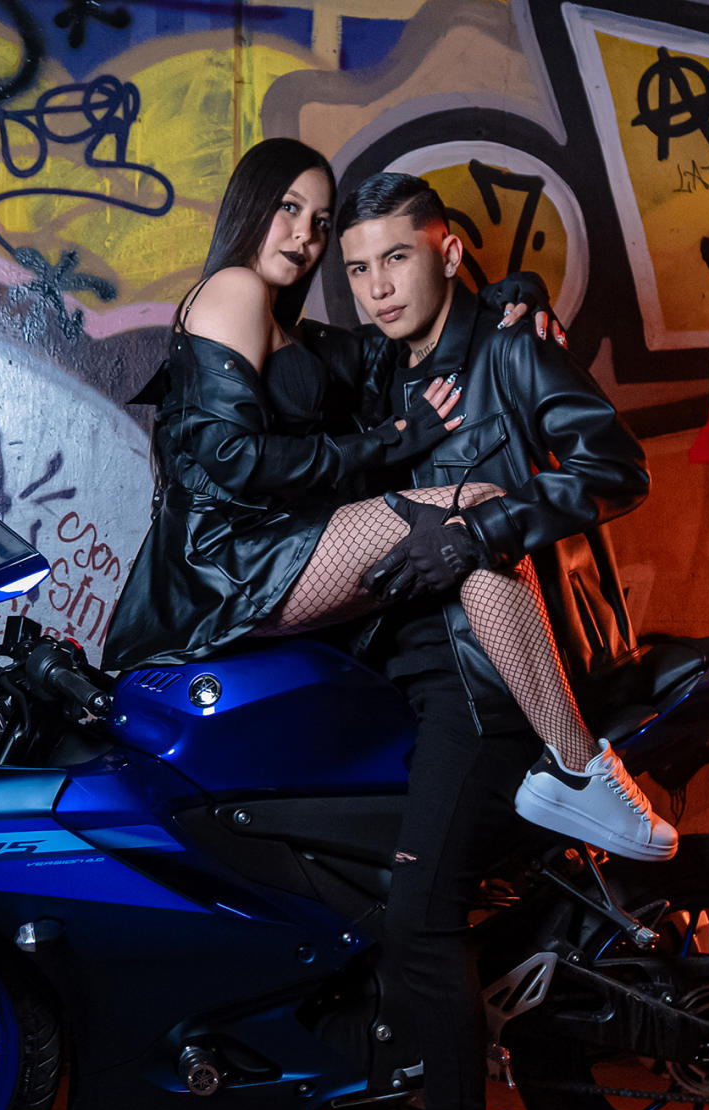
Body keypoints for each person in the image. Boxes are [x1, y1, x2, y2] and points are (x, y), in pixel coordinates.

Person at [104, 140, 673, 868]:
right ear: (250, 206)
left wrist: (512, 290)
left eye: (320, 222)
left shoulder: (345, 340)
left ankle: (574, 767)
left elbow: (383, 355)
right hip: (240, 569)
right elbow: (234, 458)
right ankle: (578, 766)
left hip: (435, 645)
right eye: (288, 210)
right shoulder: (242, 292)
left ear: (447, 254)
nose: (305, 238)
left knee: (471, 519)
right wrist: (395, 439)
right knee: (473, 507)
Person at [314, 172, 663, 1110]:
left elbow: (615, 467)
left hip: (490, 675)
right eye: (358, 269)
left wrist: (485, 528)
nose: (376, 288)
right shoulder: (384, 368)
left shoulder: (510, 352)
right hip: (401, 671)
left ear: (448, 251)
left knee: (419, 916)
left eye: (396, 259)